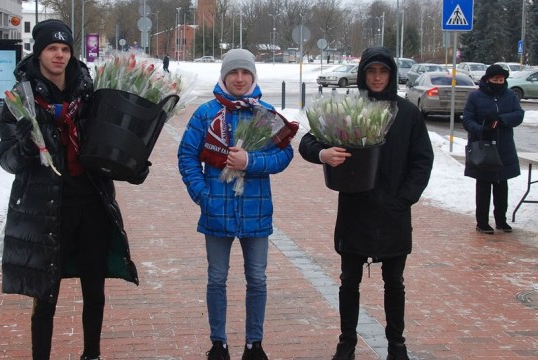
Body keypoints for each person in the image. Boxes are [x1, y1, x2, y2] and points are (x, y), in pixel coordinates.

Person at [0, 19, 145, 360]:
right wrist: (22, 146)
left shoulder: (90, 94)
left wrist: (131, 166)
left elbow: (105, 147)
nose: (59, 55)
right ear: (39, 52)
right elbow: (7, 160)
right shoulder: (20, 99)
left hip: (91, 204)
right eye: (52, 48)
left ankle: (91, 354)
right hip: (46, 210)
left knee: (94, 289)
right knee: (45, 297)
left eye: (65, 49)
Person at [298, 47, 434, 360]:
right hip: (355, 209)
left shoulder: (407, 113)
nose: (376, 78)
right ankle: (346, 344)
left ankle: (396, 346)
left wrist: (405, 198)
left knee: (394, 283)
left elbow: (422, 160)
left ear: (391, 75)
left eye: (382, 72)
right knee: (349, 281)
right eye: (371, 71)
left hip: (393, 211)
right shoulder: (348, 108)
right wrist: (323, 153)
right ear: (362, 74)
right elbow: (308, 141)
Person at [177, 49, 294, 360]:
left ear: (253, 76)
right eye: (234, 73)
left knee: (257, 278)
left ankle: (254, 344)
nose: (240, 78)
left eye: (245, 73)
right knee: (217, 277)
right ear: (224, 76)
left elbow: (285, 155)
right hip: (217, 211)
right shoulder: (206, 114)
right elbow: (187, 156)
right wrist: (203, 195)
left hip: (256, 212)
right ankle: (219, 343)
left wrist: (250, 160)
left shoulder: (264, 113)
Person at [462, 64, 524, 234]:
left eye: (501, 79)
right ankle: (482, 222)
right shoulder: (475, 97)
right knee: (483, 185)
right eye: (495, 79)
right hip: (483, 147)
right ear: (487, 79)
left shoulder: (510, 96)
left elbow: (519, 115)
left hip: (503, 147)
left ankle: (501, 220)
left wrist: (501, 119)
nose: (498, 82)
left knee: (501, 185)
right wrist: (482, 129)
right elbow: (467, 120)